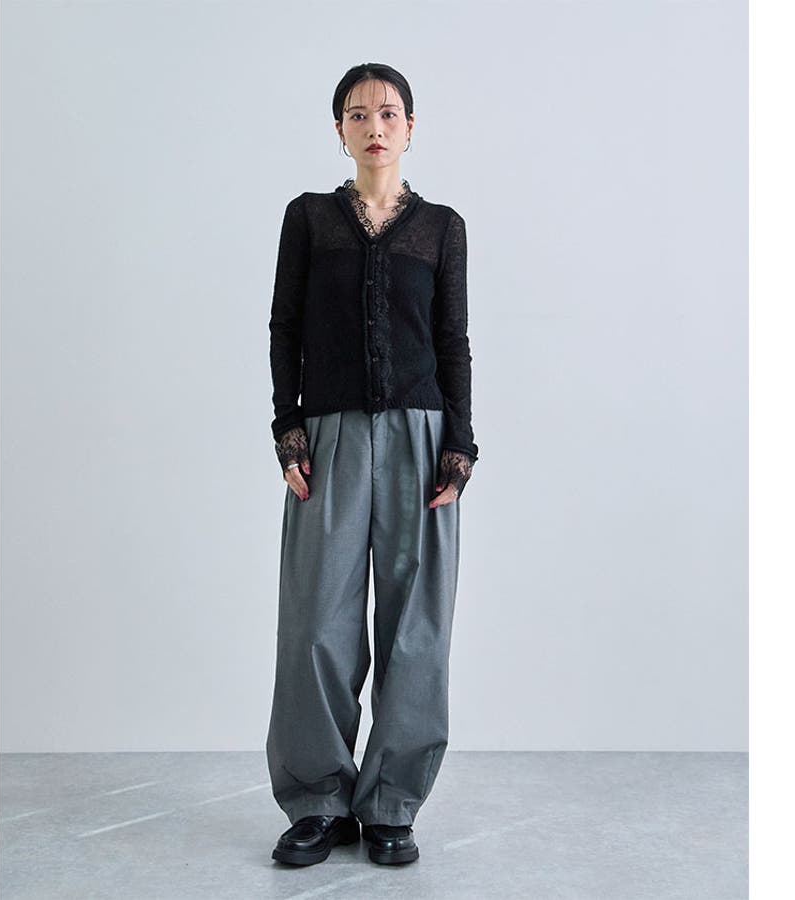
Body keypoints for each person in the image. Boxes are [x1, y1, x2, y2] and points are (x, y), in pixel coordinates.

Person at [265, 62, 479, 868]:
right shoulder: (309, 218)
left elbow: (453, 340)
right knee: (315, 620)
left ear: (410, 127)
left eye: (388, 113)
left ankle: (392, 803)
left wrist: (459, 444)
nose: (374, 126)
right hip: (330, 435)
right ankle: (317, 800)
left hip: (423, 436)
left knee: (416, 626)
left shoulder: (442, 228)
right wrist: (289, 427)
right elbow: (285, 326)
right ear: (340, 131)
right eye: (357, 114)